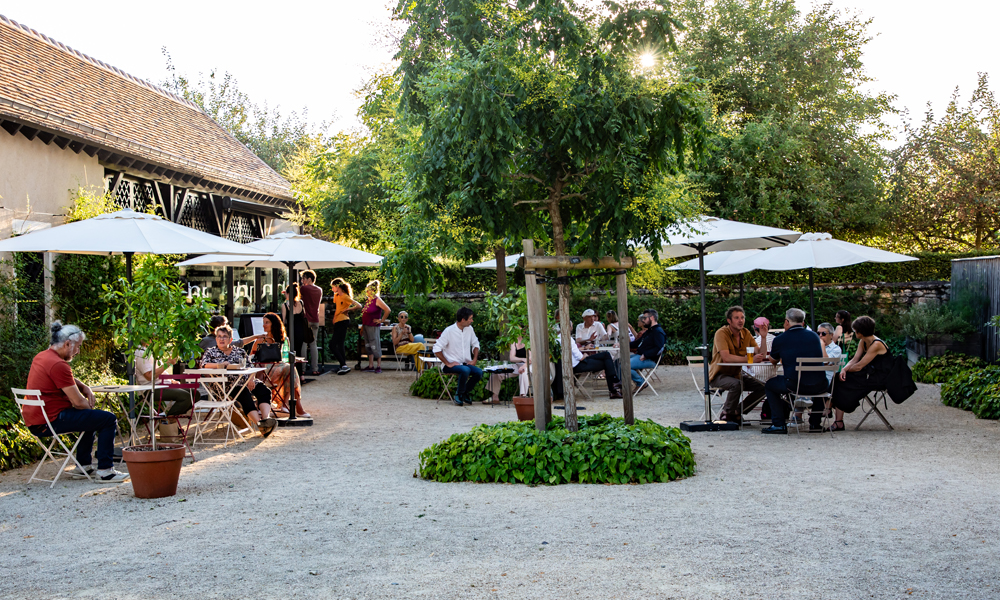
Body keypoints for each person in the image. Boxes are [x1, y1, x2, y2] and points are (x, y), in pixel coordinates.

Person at [23, 322, 128, 482]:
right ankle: (106, 472)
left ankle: (83, 466)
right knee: (107, 419)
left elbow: (65, 378)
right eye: (77, 346)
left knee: (90, 419)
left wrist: (84, 386)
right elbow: (78, 402)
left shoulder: (42, 356)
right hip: (49, 421)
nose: (78, 351)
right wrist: (90, 409)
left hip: (36, 420)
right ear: (67, 344)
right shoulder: (58, 364)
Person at [201, 325, 278, 437]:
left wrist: (251, 379)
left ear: (231, 340)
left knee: (263, 390)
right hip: (225, 384)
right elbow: (204, 365)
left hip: (244, 380)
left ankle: (266, 419)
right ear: (216, 338)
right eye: (219, 336)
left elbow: (250, 366)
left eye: (225, 337)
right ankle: (260, 425)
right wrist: (219, 365)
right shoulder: (210, 352)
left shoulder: (239, 351)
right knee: (244, 394)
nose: (221, 339)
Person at [761, 308, 828, 434]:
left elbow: (773, 361)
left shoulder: (780, 339)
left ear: (786, 322)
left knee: (770, 385)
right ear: (803, 323)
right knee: (819, 381)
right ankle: (815, 423)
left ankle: (779, 424)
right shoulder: (814, 336)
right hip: (820, 385)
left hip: (795, 385)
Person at [829, 316, 891, 432]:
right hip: (869, 374)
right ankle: (838, 420)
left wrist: (845, 371)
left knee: (842, 382)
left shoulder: (876, 344)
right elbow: (854, 360)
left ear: (861, 331)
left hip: (880, 378)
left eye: (855, 330)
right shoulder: (863, 341)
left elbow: (859, 366)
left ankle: (833, 410)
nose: (854, 332)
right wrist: (843, 370)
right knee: (838, 378)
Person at [709, 306, 767, 424]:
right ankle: (726, 413)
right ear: (729, 321)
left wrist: (763, 337)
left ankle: (737, 411)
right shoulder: (721, 333)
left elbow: (761, 354)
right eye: (736, 318)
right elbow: (726, 358)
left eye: (742, 317)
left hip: (736, 374)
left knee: (764, 387)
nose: (741, 320)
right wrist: (749, 360)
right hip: (719, 375)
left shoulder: (746, 333)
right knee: (737, 384)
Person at [249, 313, 309, 418]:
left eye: (267, 322)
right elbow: (250, 358)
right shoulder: (259, 340)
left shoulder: (283, 340)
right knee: (288, 368)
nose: (264, 325)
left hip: (279, 367)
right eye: (263, 323)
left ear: (274, 324)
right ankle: (291, 406)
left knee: (290, 368)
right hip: (263, 370)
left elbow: (285, 357)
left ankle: (289, 404)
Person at [433, 307, 483, 406]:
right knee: (465, 370)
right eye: (470, 318)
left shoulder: (470, 329)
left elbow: (476, 344)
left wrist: (474, 359)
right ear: (463, 320)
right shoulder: (449, 331)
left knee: (479, 372)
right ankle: (458, 395)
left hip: (465, 364)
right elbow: (436, 349)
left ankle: (464, 393)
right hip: (450, 365)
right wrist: (447, 363)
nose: (472, 321)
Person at [552, 335, 624, 400]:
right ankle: (614, 387)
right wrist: (584, 356)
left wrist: (584, 349)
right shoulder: (568, 338)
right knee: (607, 362)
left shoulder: (557, 338)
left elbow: (572, 351)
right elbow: (579, 357)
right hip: (578, 364)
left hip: (573, 364)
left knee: (606, 355)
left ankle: (614, 385)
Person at [134, 346, 191, 421]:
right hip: (150, 389)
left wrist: (172, 381)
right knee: (186, 396)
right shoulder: (141, 353)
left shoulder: (152, 352)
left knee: (194, 393)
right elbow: (149, 376)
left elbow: (160, 371)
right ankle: (166, 421)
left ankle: (168, 418)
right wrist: (168, 363)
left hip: (163, 385)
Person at [629, 309, 665, 393]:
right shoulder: (650, 331)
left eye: (645, 318)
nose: (643, 320)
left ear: (652, 318)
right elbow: (637, 343)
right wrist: (622, 345)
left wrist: (646, 355)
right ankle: (618, 386)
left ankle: (641, 382)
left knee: (625, 365)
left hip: (650, 359)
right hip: (641, 356)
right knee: (619, 361)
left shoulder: (658, 332)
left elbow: (659, 348)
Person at [330, 278, 362, 375]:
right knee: (340, 344)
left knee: (332, 345)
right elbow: (338, 308)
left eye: (333, 287)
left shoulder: (345, 296)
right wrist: (334, 318)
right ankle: (342, 365)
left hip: (343, 321)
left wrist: (348, 309)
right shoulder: (336, 296)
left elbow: (359, 305)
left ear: (337, 286)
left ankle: (343, 365)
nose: (332, 289)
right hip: (338, 321)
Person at [485, 337, 530, 405]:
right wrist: (522, 359)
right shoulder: (514, 341)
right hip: (517, 365)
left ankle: (522, 398)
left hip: (528, 365)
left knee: (523, 372)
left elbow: (530, 359)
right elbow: (512, 358)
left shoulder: (528, 340)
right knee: (497, 371)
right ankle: (495, 397)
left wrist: (524, 363)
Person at [361, 280, 391, 373]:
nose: (366, 291)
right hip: (366, 325)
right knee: (368, 345)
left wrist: (381, 320)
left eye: (368, 289)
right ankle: (371, 365)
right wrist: (362, 327)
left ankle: (378, 366)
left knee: (375, 344)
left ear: (372, 290)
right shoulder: (368, 301)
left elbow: (388, 310)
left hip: (373, 326)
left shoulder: (377, 300)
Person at [299, 270, 323, 375]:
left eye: (303, 278)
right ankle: (315, 368)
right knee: (313, 344)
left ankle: (303, 369)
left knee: (304, 344)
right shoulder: (319, 290)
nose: (302, 281)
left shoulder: (304, 289)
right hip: (315, 319)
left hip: (306, 319)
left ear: (309, 279)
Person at [281, 282, 308, 356]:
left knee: (291, 351)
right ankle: (299, 367)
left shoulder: (285, 306)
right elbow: (304, 315)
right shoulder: (301, 303)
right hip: (301, 331)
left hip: (291, 331)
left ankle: (293, 367)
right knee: (298, 351)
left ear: (288, 293)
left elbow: (283, 321)